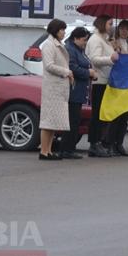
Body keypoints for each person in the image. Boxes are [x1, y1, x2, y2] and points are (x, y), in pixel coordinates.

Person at [99, 20, 128, 156]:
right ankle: (109, 143)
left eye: (127, 29)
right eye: (122, 29)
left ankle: (119, 143)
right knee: (115, 115)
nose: (125, 31)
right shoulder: (113, 42)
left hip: (127, 83)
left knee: (124, 117)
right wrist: (116, 50)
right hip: (116, 83)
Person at [38, 19, 73, 161]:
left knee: (53, 122)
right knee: (48, 121)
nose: (64, 32)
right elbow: (49, 65)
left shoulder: (58, 44)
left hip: (59, 88)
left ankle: (49, 150)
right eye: (62, 30)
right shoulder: (48, 45)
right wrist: (67, 72)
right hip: (52, 88)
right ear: (55, 31)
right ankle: (44, 151)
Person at [84, 15, 118, 153]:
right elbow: (95, 59)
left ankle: (102, 141)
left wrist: (115, 49)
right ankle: (94, 142)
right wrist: (110, 59)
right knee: (98, 113)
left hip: (108, 81)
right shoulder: (95, 39)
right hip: (99, 81)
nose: (112, 27)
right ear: (103, 24)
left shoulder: (106, 40)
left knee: (105, 113)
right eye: (110, 24)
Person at [62, 26, 94, 159]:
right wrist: (88, 73)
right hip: (73, 90)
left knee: (75, 120)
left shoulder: (79, 50)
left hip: (80, 90)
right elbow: (72, 67)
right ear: (75, 38)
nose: (85, 43)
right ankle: (66, 149)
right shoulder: (70, 49)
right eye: (83, 40)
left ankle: (70, 147)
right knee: (71, 120)